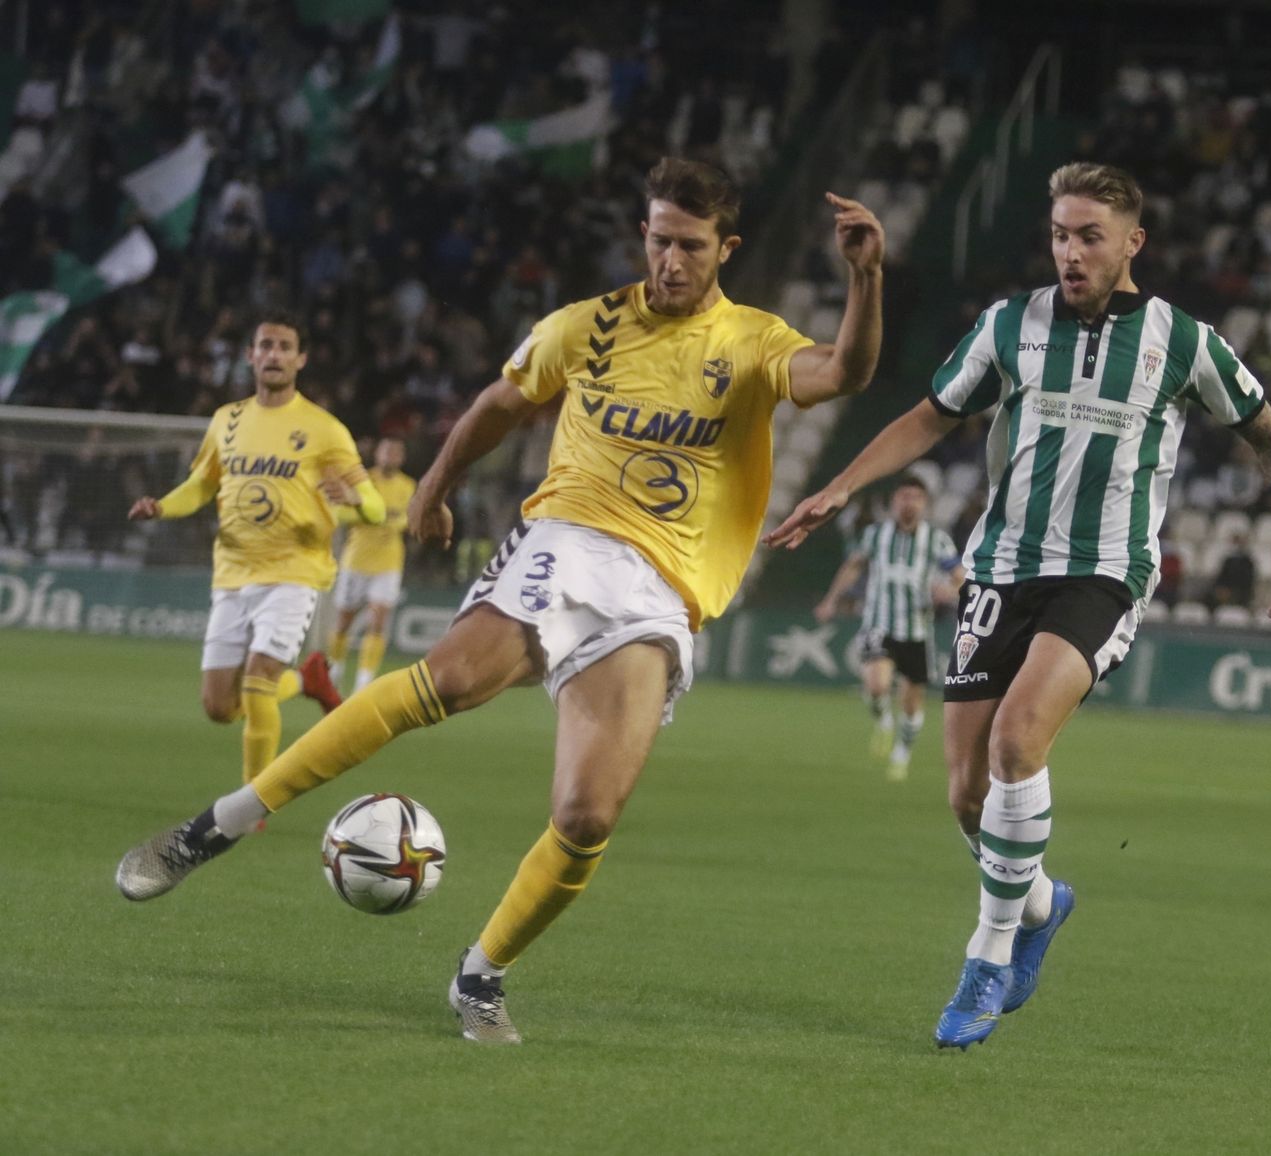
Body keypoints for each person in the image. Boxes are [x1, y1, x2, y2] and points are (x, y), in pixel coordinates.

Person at [117, 158, 886, 1046]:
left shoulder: (751, 341)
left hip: (662, 592)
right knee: (448, 678)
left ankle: (480, 975)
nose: (671, 260)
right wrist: (434, 487)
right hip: (568, 537)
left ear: (726, 249)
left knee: (587, 817)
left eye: (691, 246)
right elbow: (499, 403)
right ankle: (215, 828)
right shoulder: (585, 326)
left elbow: (844, 375)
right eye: (660, 239)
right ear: (643, 233)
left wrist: (863, 278)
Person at [766, 161, 1271, 1049]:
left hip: (1103, 575)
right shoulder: (1011, 325)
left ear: (1132, 243)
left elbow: (1268, 432)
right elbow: (931, 415)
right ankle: (1038, 904)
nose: (1071, 252)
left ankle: (985, 960)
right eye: (1061, 235)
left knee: (1016, 740)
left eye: (1090, 237)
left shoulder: (1184, 342)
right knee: (966, 795)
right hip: (999, 570)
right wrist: (841, 486)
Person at [127, 312, 382, 787]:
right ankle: (307, 681)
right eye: (265, 345)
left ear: (301, 359)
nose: (274, 354)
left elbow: (374, 505)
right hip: (232, 572)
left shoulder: (324, 429)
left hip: (294, 572)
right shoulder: (227, 420)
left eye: (285, 347)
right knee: (219, 706)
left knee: (259, 680)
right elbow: (200, 485)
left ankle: (252, 802)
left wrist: (355, 500)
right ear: (250, 356)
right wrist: (161, 507)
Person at [814, 474, 962, 780]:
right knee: (877, 684)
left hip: (917, 630)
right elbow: (853, 565)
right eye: (903, 496)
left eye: (915, 497)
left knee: (911, 702)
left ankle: (902, 753)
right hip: (878, 623)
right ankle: (882, 720)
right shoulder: (875, 535)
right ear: (894, 502)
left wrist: (948, 591)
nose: (909, 502)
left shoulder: (936, 540)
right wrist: (831, 599)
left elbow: (959, 576)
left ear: (925, 504)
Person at [327, 437, 416, 692]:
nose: (391, 456)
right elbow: (341, 513)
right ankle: (335, 669)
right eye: (387, 451)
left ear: (402, 458)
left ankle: (364, 681)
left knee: (379, 620)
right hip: (356, 559)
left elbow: (407, 519)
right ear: (378, 454)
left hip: (388, 562)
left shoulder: (408, 485)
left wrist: (375, 517)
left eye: (396, 452)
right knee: (344, 620)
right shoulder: (362, 480)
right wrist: (380, 516)